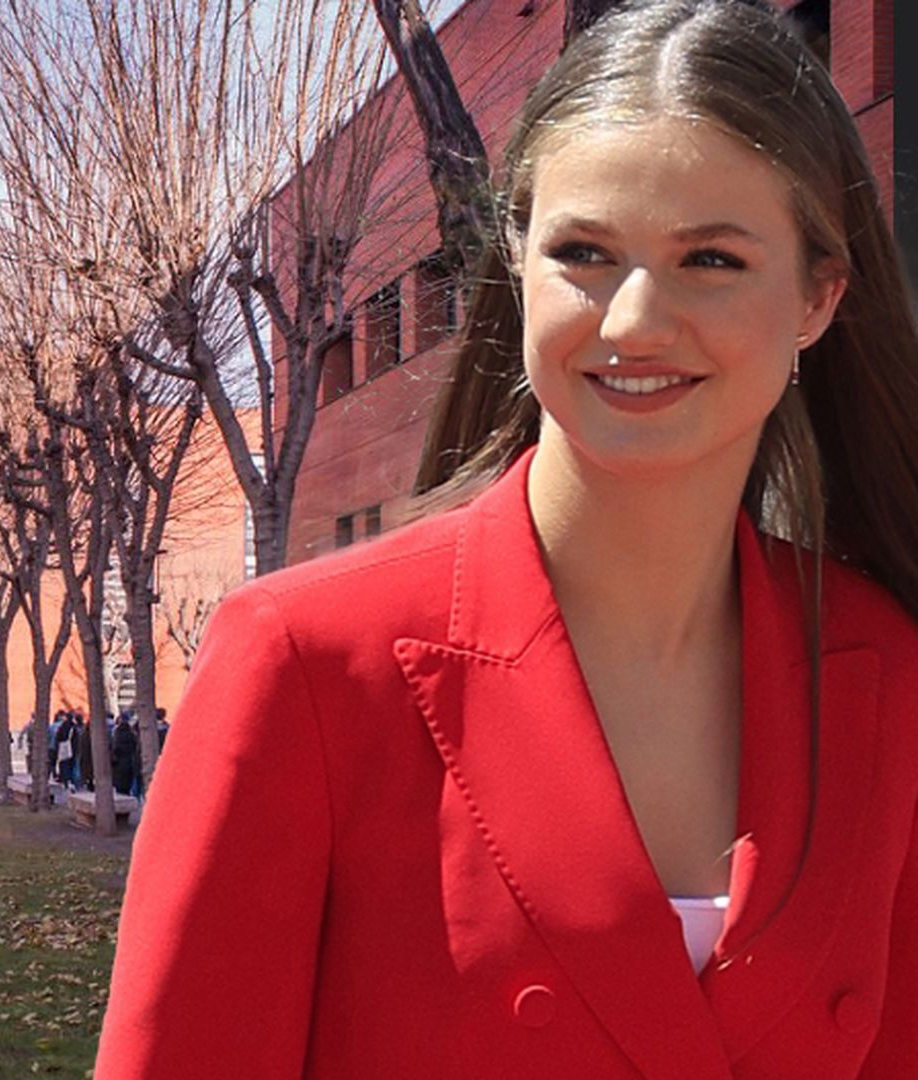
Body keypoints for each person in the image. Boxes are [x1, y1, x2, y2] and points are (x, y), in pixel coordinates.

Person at [100, 3, 918, 1076]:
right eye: (583, 251)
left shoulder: (887, 670)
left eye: (710, 259)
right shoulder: (304, 664)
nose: (631, 321)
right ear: (518, 264)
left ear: (818, 296)